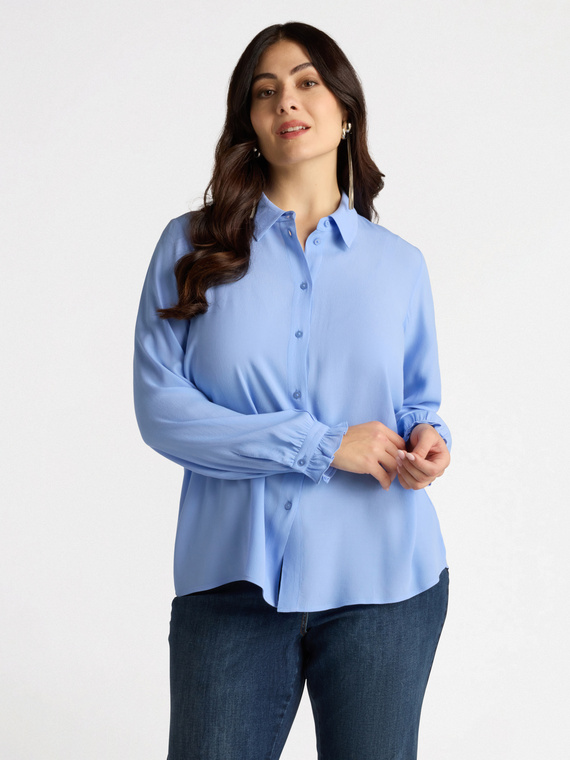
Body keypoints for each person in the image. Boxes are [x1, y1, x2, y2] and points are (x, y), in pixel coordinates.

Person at [134, 21, 451, 760]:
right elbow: (163, 412)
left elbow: (417, 402)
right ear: (249, 120)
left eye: (308, 82)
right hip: (232, 584)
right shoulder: (190, 248)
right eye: (265, 90)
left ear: (345, 111)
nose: (287, 101)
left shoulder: (400, 265)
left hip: (385, 584)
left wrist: (428, 441)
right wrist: (320, 444)